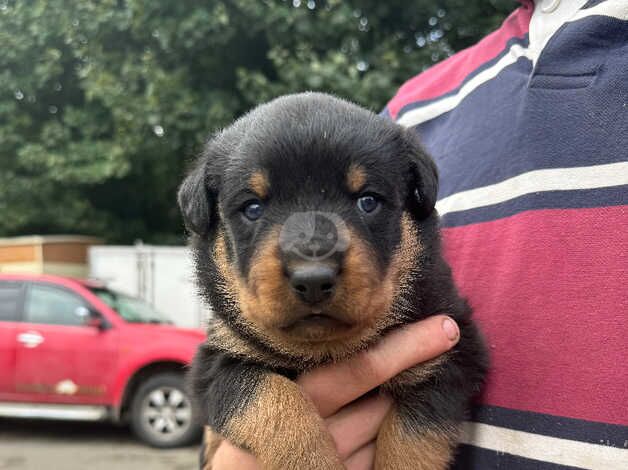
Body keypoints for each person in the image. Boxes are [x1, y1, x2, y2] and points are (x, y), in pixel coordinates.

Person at [209, 0, 628, 468]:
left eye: (367, 202)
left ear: (417, 211)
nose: (312, 267)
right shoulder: (412, 108)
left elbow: (455, 364)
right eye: (252, 208)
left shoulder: (395, 150)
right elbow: (218, 376)